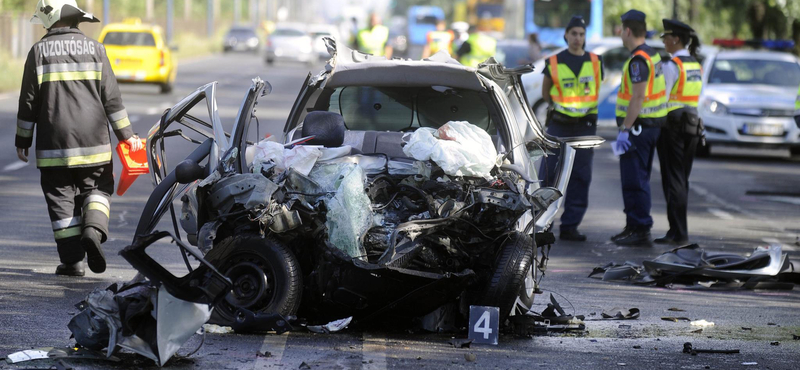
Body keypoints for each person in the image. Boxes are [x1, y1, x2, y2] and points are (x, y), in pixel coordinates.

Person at [16, 0, 143, 276]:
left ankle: (73, 261)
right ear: (75, 18)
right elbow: (112, 100)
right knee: (97, 188)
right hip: (94, 145)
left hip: (54, 148)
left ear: (49, 20)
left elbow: (28, 102)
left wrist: (23, 139)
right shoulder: (96, 49)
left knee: (61, 200)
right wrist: (127, 136)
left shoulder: (37, 53)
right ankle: (94, 231)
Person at [538, 16, 604, 242]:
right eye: (574, 33)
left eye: (581, 34)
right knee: (550, 175)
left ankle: (570, 226)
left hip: (585, 126)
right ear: (566, 35)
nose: (578, 38)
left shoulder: (596, 61)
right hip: (559, 124)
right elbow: (546, 92)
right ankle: (543, 223)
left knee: (580, 176)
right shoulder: (554, 61)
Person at [610, 10, 669, 246]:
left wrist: (625, 128)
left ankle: (640, 227)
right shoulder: (652, 54)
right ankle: (634, 225)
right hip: (649, 127)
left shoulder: (638, 59)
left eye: (621, 31)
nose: (620, 35)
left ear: (627, 31)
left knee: (634, 179)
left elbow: (637, 98)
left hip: (638, 128)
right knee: (638, 178)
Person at [655, 19, 704, 245]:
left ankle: (678, 232)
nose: (664, 41)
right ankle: (677, 230)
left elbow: (662, 97)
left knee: (673, 179)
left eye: (666, 37)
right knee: (682, 178)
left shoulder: (671, 65)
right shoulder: (695, 64)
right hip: (693, 124)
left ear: (675, 39)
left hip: (673, 125)